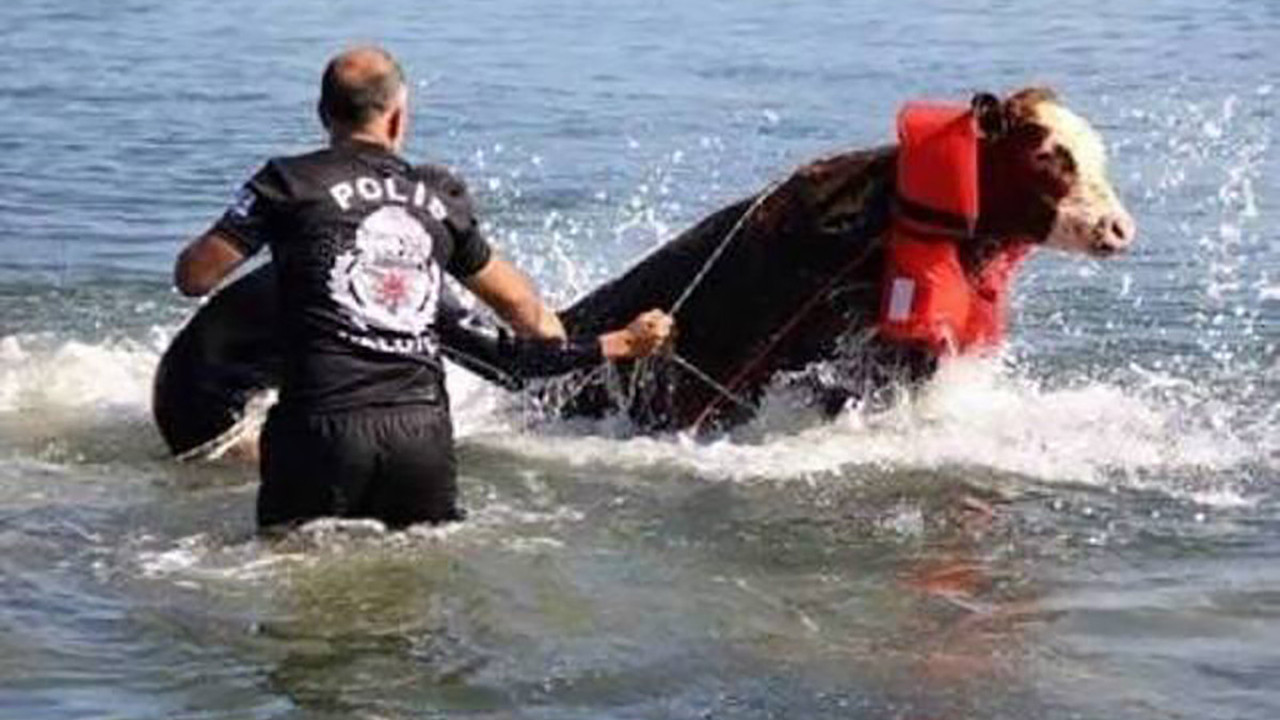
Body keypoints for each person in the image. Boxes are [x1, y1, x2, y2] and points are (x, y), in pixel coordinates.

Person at [173, 46, 673, 531]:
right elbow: (524, 312)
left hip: (318, 434)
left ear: (323, 114)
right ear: (397, 118)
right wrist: (609, 344)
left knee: (295, 589)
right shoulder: (438, 201)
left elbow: (194, 278)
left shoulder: (286, 181)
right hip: (420, 443)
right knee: (417, 600)